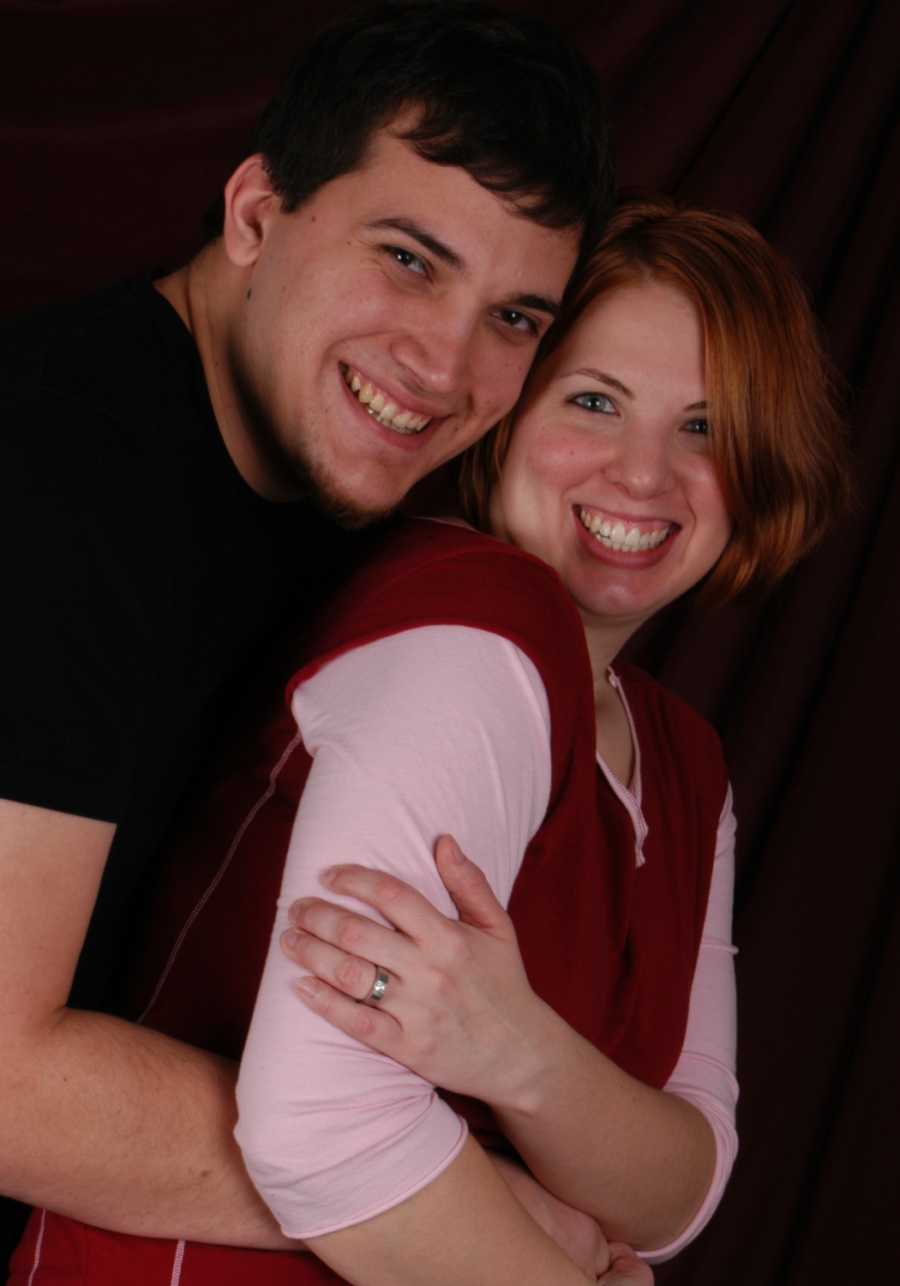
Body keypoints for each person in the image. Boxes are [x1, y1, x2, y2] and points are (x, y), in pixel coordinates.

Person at [10, 198, 847, 1285]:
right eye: (594, 400)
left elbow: (682, 1184)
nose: (644, 475)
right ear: (504, 416)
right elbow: (321, 1126)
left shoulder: (686, 760)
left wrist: (518, 1051)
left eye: (705, 425)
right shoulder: (469, 629)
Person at [0, 0, 614, 1267]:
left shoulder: (351, 492)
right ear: (256, 214)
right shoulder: (55, 472)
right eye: (408, 256)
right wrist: (462, 1210)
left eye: (515, 318)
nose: (444, 368)